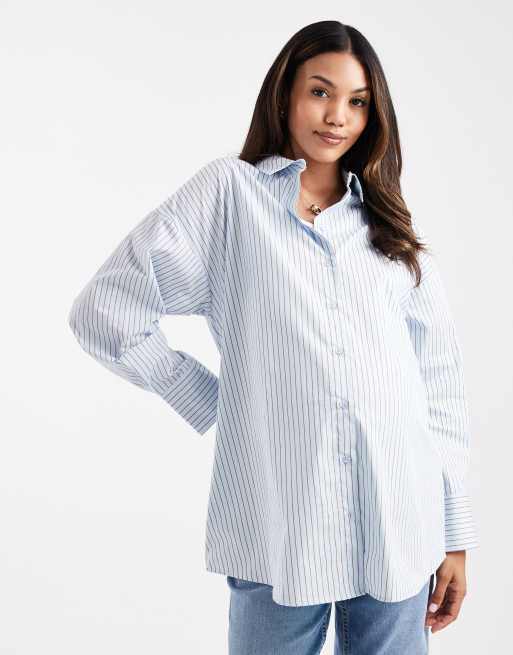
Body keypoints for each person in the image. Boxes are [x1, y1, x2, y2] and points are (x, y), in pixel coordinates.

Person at [68, 19, 478, 655]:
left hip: (400, 518)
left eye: (357, 101)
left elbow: (438, 380)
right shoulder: (229, 196)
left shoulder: (386, 219)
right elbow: (105, 310)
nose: (336, 116)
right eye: (320, 92)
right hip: (278, 523)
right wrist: (213, 400)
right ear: (285, 93)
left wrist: (453, 532)